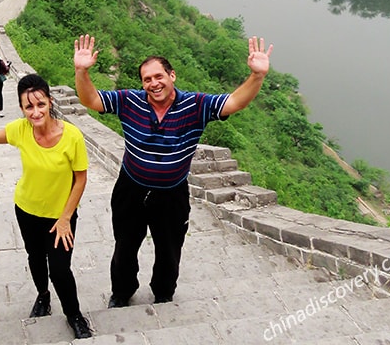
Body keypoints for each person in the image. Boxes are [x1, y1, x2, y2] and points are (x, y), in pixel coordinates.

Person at [73, 34, 273, 308]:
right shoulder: (129, 101)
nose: (154, 83)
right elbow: (91, 100)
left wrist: (257, 76)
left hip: (172, 194)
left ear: (172, 75)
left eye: (159, 76)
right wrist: (81, 71)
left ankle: (163, 292)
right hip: (131, 189)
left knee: (169, 249)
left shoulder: (196, 105)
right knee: (125, 246)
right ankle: (122, 291)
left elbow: (234, 102)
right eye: (147, 79)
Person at [0, 74, 92, 339]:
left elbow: (80, 179)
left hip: (60, 217)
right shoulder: (21, 129)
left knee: (61, 270)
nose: (36, 112)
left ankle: (74, 314)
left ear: (50, 102)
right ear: (21, 108)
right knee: (35, 258)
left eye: (40, 104)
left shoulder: (71, 135)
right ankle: (43, 296)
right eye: (29, 107)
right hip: (27, 210)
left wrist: (65, 218)